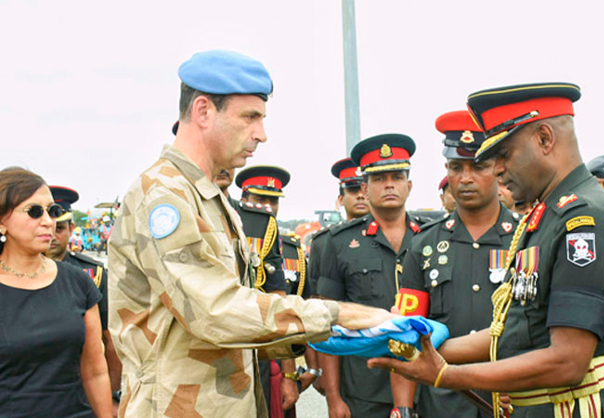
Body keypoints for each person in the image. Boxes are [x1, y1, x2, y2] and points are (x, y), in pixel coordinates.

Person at [107, 49, 392, 418]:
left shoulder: (209, 196)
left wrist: (337, 339)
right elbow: (216, 311)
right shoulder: (165, 196)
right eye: (250, 117)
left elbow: (240, 319)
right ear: (204, 111)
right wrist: (342, 316)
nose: (261, 134)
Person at [368, 82, 604, 418]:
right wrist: (419, 347)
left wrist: (445, 374)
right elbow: (513, 331)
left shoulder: (586, 219)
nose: (497, 169)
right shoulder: (545, 217)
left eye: (503, 154)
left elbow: (567, 361)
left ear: (545, 138)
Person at [391, 110, 520, 417]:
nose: (465, 178)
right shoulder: (423, 245)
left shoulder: (525, 239)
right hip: (443, 399)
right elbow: (406, 335)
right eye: (455, 167)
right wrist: (403, 409)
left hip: (512, 395)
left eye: (478, 166)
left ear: (498, 169)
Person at [315, 134, 429, 418]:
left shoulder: (431, 237)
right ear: (364, 189)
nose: (389, 184)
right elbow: (327, 323)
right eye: (379, 179)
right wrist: (333, 398)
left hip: (427, 383)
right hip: (364, 389)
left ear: (409, 185)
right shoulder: (339, 242)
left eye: (397, 176)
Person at [0, 167, 112, 417]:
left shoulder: (78, 282)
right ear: (2, 222)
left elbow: (95, 371)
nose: (48, 222)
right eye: (34, 212)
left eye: (53, 211)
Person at [235, 165, 308, 417]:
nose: (268, 206)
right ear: (244, 200)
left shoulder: (292, 250)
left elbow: (285, 309)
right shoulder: (233, 235)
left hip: (271, 356)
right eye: (260, 199)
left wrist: (289, 373)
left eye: (273, 200)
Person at [47, 185, 123, 412]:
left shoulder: (92, 274)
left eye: (59, 228)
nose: (51, 235)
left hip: (83, 384)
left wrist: (111, 395)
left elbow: (110, 339)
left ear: (71, 228)